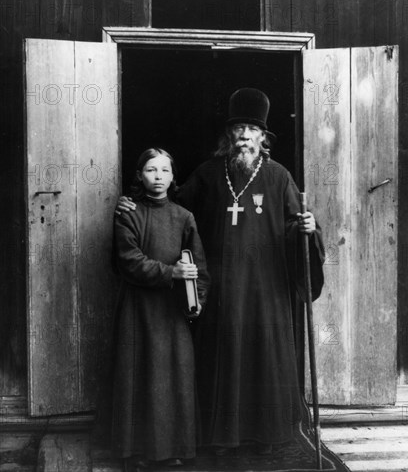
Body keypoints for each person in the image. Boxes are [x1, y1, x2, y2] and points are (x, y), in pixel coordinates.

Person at [117, 89, 324, 456]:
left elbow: (295, 225)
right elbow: (168, 208)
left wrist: (307, 228)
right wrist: (132, 203)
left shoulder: (278, 177)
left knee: (264, 354)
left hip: (267, 289)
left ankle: (268, 436)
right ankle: (221, 438)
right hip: (223, 288)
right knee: (221, 354)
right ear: (229, 136)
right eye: (239, 128)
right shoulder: (209, 173)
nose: (244, 135)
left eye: (252, 129)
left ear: (263, 137)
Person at [112, 148, 210, 471]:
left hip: (172, 312)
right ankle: (137, 450)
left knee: (174, 376)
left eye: (165, 171)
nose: (158, 177)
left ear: (173, 177)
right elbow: (128, 260)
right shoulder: (128, 214)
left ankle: (174, 448)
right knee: (140, 375)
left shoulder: (184, 217)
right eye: (151, 170)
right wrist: (171, 273)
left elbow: (199, 270)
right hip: (138, 311)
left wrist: (195, 303)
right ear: (140, 175)